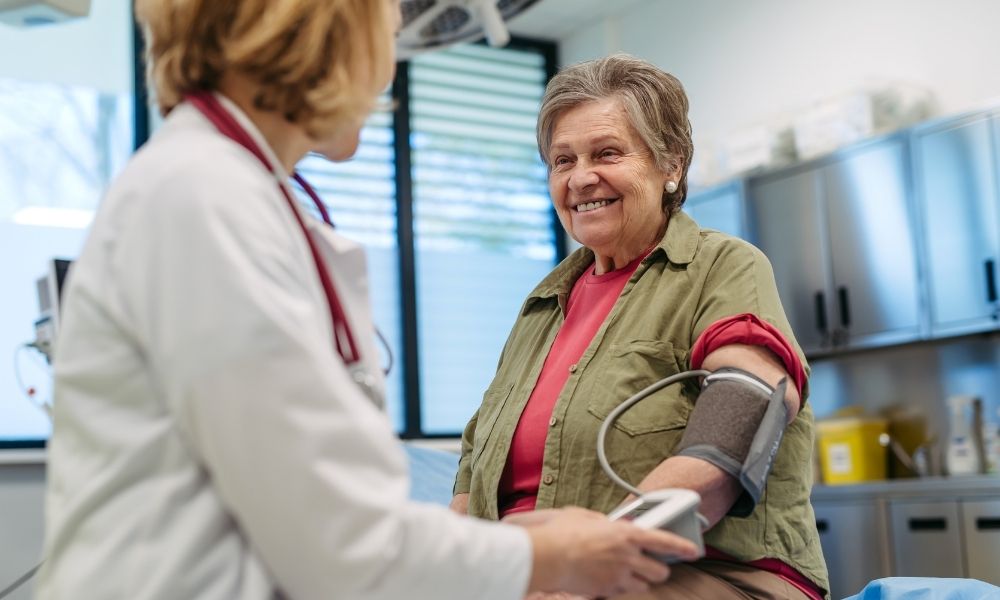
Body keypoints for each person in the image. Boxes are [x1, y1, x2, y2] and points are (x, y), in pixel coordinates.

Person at [35, 5, 699, 599]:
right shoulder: (204, 199)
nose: (386, 77)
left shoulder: (230, 192)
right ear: (325, 32)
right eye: (386, 35)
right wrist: (546, 554)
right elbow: (340, 539)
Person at [450, 54, 830, 600]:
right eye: (562, 161)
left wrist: (594, 563)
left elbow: (740, 418)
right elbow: (472, 474)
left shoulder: (722, 267)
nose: (581, 177)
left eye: (607, 153)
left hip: (705, 573)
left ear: (669, 164)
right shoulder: (541, 306)